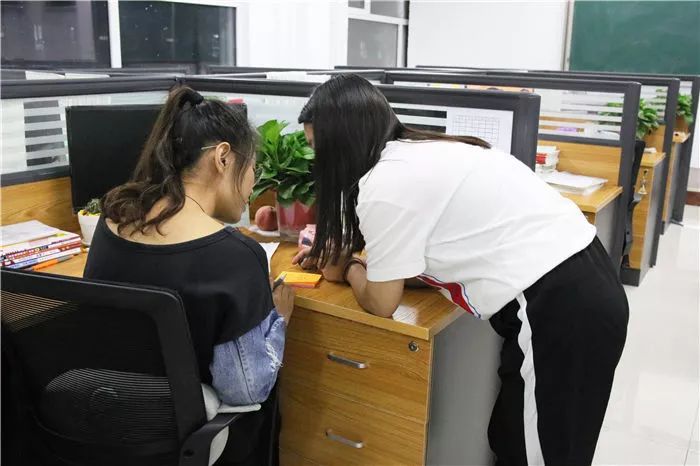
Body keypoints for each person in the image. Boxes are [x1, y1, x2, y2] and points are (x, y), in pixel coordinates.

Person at [293, 74, 629, 466]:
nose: (317, 162)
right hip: (578, 284)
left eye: (318, 150)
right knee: (515, 439)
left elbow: (382, 303)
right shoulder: (421, 152)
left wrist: (349, 267)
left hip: (559, 306)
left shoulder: (385, 183)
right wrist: (364, 264)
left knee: (539, 454)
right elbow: (424, 262)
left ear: (342, 144)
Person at [84, 85, 293, 465]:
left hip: (110, 426)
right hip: (192, 445)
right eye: (253, 168)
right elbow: (247, 390)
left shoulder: (112, 221)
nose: (252, 184)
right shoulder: (236, 257)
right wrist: (278, 319)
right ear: (223, 158)